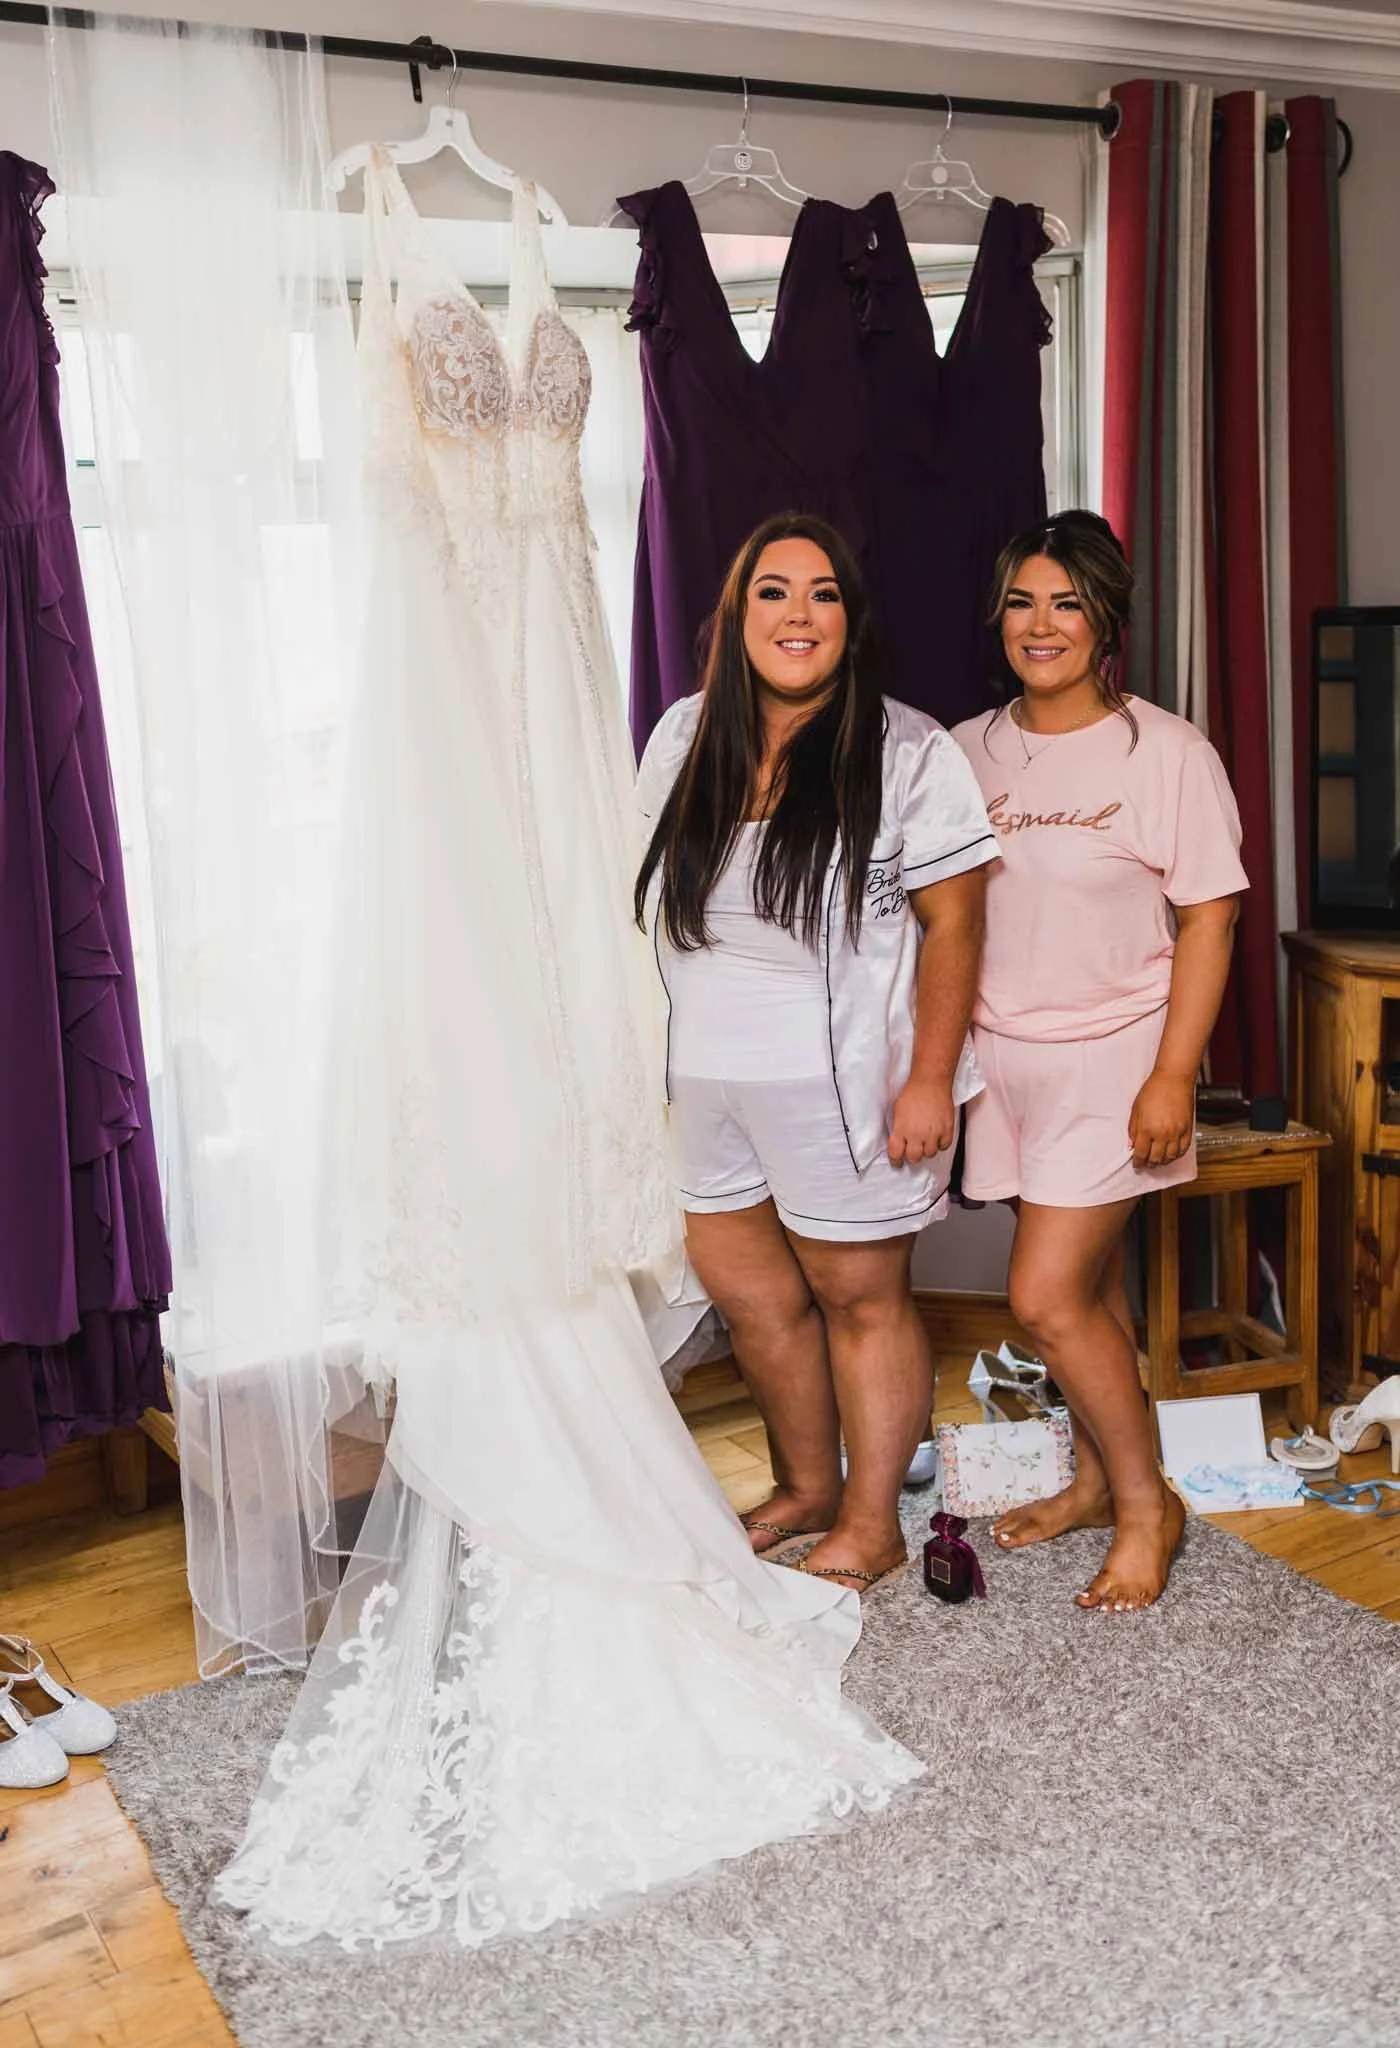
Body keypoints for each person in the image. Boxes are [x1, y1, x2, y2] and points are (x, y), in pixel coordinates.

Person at [636, 512, 996, 1591]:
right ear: (735, 614)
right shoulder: (683, 734)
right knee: (752, 1299)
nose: (798, 613)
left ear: (850, 617)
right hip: (702, 1076)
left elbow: (956, 924)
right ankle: (805, 1482)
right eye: (773, 592)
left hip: (840, 1079)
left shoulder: (907, 750)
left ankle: (874, 1518)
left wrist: (929, 1075)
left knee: (860, 1297)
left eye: (822, 593)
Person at [952, 509, 1248, 1613]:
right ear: (998, 614)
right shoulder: (965, 748)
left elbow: (1208, 921)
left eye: (1065, 602)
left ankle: (1142, 1503)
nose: (1040, 624)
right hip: (1005, 1055)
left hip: (1113, 1056)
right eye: (1022, 600)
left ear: (1105, 617)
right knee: (1091, 1292)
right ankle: (1087, 1477)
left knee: (1039, 1295)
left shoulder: (1165, 752)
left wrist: (1172, 1073)